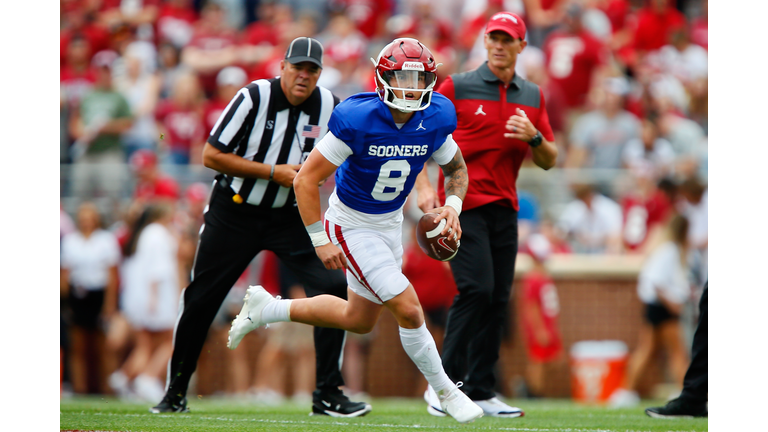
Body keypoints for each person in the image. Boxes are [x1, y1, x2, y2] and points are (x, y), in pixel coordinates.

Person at [227, 37, 484, 424]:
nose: (410, 89)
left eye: (417, 81)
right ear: (382, 77)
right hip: (351, 224)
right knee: (409, 310)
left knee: (358, 320)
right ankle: (445, 391)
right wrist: (320, 239)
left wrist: (453, 206)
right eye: (401, 78)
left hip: (390, 224)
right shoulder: (357, 119)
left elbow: (457, 169)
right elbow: (305, 181)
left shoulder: (435, 117)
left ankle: (268, 308)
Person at [150, 37, 369, 418]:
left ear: (320, 74)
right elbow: (210, 155)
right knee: (202, 297)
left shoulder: (331, 106)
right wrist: (273, 172)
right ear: (282, 66)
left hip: (291, 216)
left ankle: (328, 393)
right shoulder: (254, 97)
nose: (304, 75)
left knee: (333, 287)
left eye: (312, 69)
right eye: (298, 66)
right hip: (235, 211)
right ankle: (176, 391)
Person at [414, 11, 558, 418]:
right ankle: (443, 386)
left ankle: (480, 389)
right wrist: (425, 188)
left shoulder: (532, 95)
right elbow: (419, 139)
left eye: (506, 39)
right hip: (460, 208)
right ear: (485, 41)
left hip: (504, 207)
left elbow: (549, 158)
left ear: (521, 46)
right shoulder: (456, 86)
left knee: (497, 298)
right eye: (492, 37)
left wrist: (533, 136)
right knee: (476, 289)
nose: (498, 45)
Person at [609, 214, 692, 407]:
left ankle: (626, 391)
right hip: (662, 306)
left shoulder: (666, 249)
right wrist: (672, 303)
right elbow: (656, 281)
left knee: (649, 350)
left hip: (657, 306)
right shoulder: (670, 250)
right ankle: (684, 391)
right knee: (677, 351)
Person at [109, 203, 182, 403]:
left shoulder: (146, 234)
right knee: (172, 340)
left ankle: (124, 377)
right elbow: (157, 269)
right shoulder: (157, 234)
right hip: (158, 296)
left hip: (143, 296)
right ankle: (148, 378)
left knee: (146, 344)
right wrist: (154, 298)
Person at [60, 202, 121, 394]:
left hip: (98, 294)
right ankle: (80, 387)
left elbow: (112, 275)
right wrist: (65, 300)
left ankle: (105, 388)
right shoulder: (71, 241)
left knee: (102, 346)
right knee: (78, 345)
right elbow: (65, 273)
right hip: (78, 294)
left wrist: (109, 305)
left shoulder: (105, 240)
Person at [646, 281, 707, 418]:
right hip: (663, 307)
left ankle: (691, 395)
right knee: (656, 351)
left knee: (676, 352)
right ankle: (692, 396)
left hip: (668, 307)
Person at [518, 233, 563, 398]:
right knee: (538, 361)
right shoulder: (533, 278)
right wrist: (539, 329)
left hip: (548, 324)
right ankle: (533, 393)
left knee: (554, 360)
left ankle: (530, 388)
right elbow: (531, 307)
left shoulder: (543, 275)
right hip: (540, 326)